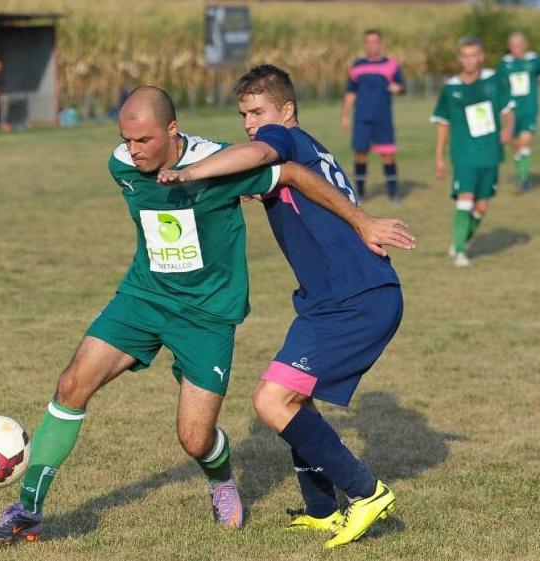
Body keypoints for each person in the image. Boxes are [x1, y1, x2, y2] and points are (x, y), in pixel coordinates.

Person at [0, 86, 413, 544]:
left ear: (172, 130)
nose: (133, 150)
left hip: (206, 317)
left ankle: (221, 479)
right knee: (72, 384)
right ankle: (28, 509)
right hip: (143, 299)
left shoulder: (225, 165)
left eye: (144, 140)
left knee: (194, 438)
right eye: (126, 139)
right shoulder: (122, 166)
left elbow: (291, 175)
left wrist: (361, 220)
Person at [158, 64, 411, 548]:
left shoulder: (286, 140)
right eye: (244, 114)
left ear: (286, 110)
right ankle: (321, 510)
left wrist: (187, 172)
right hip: (327, 301)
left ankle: (366, 493)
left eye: (258, 112)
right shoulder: (308, 148)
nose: (251, 123)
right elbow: (269, 172)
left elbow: (262, 151)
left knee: (271, 401)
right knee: (296, 399)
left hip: (353, 298)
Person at [431, 37, 515, 267]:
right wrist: (439, 157)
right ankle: (460, 252)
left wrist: (508, 128)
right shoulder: (451, 88)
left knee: (481, 207)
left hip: (490, 154)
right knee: (465, 201)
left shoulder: (494, 81)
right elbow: (442, 123)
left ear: (481, 56)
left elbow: (508, 111)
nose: (470, 60)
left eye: (474, 55)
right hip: (464, 154)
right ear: (459, 58)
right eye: (465, 55)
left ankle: (462, 239)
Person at [340, 30, 406, 202]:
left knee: (388, 155)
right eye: (367, 42)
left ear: (381, 43)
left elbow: (402, 87)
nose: (371, 45)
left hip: (383, 119)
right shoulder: (357, 66)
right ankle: (360, 194)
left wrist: (398, 88)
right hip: (362, 119)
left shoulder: (391, 65)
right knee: (360, 154)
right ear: (364, 44)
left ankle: (393, 194)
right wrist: (345, 116)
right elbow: (350, 93)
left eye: (374, 41)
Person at [498, 32, 540, 191]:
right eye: (512, 45)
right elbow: (497, 89)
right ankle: (522, 175)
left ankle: (524, 180)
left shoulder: (535, 61)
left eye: (519, 44)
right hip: (510, 112)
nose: (516, 48)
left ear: (526, 44)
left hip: (529, 110)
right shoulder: (504, 64)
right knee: (516, 146)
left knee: (525, 142)